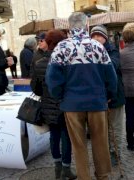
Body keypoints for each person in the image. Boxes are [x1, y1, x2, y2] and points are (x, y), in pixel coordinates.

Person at [46, 12, 117, 180]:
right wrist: (109, 95)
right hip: (97, 102)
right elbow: (111, 76)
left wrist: (60, 96)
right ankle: (103, 176)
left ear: (69, 27)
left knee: (78, 146)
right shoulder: (98, 46)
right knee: (100, 142)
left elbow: (52, 79)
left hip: (72, 104)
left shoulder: (61, 48)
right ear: (87, 26)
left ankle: (84, 177)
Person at [30, 30, 76, 180]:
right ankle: (66, 169)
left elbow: (35, 88)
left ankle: (57, 167)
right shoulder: (67, 62)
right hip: (65, 105)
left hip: (47, 107)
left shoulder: (39, 63)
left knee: (54, 136)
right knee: (66, 137)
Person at [90, 25, 125, 166]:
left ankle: (115, 154)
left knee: (115, 128)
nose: (97, 39)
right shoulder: (88, 52)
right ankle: (104, 153)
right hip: (98, 98)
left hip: (115, 96)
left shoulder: (113, 51)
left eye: (100, 36)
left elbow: (112, 66)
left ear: (105, 38)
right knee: (101, 129)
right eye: (94, 36)